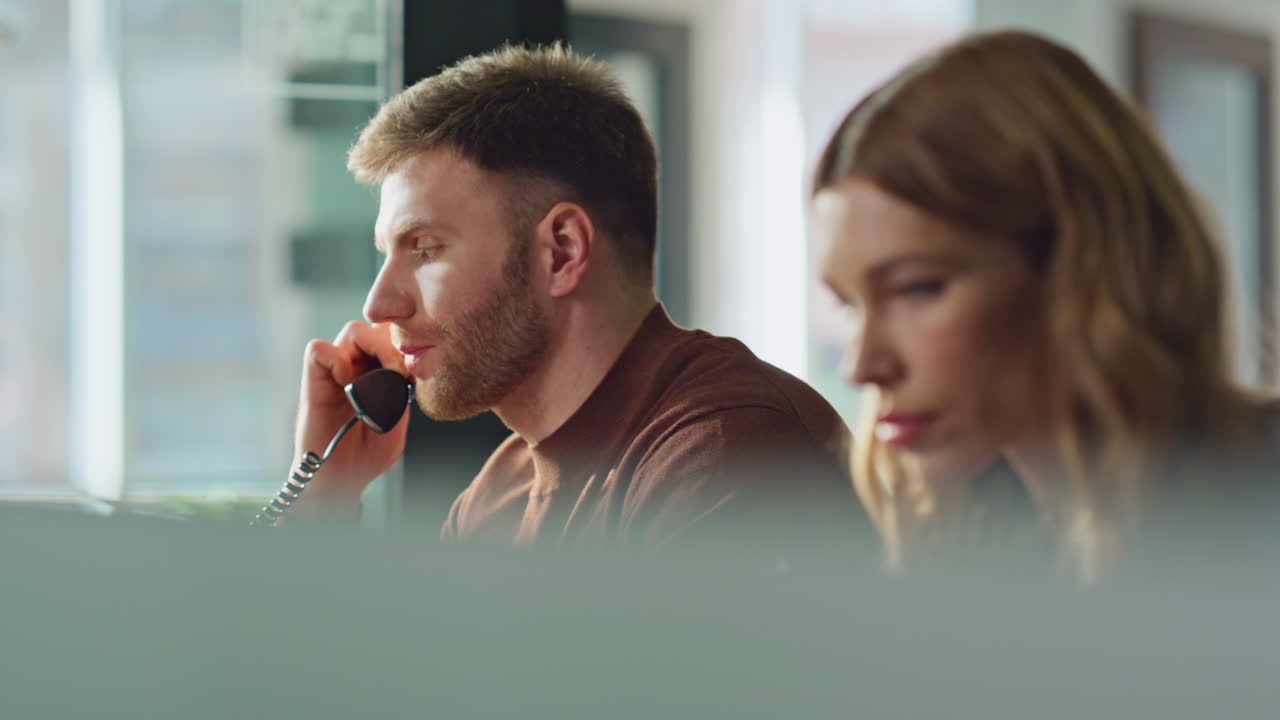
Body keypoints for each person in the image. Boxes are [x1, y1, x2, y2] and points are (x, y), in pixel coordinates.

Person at [286, 43, 864, 552]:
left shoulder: (727, 459)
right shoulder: (499, 492)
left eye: (426, 249)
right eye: (388, 251)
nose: (379, 304)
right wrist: (323, 494)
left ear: (561, 252)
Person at [810, 30, 1280, 581]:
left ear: (1081, 265)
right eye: (849, 305)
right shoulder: (967, 543)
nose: (863, 366)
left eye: (918, 289)